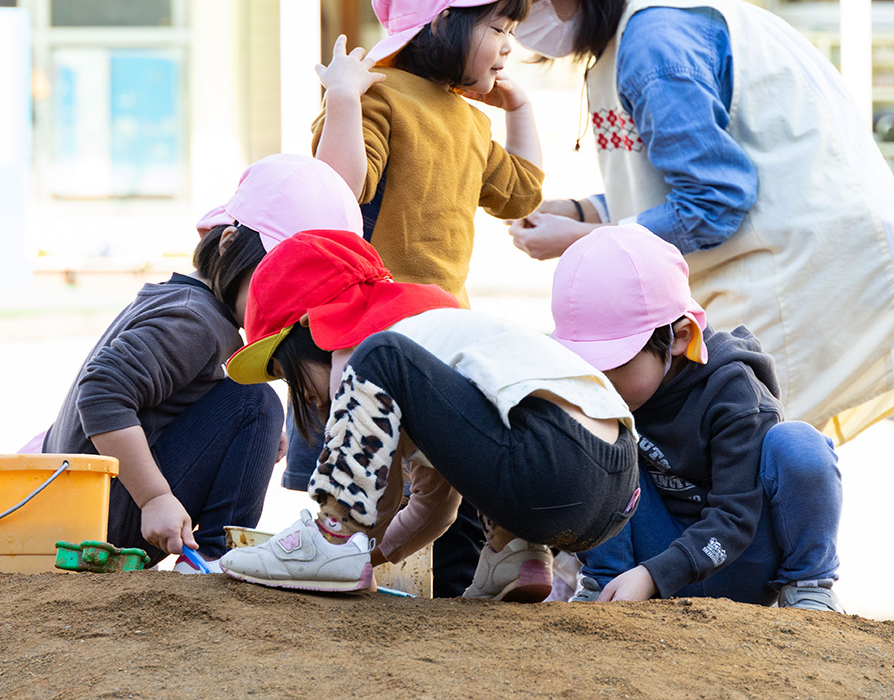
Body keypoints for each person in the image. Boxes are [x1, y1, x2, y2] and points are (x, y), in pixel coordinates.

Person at [468, 0, 894, 442]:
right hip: (787, 254)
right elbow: (678, 185)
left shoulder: (655, 44)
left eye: (522, 5)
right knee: (748, 460)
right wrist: (583, 211)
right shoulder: (641, 24)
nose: (518, 27)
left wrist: (580, 241)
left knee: (744, 458)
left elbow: (716, 201)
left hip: (806, 266)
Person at [0, 154, 363, 573]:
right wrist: (154, 498)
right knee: (254, 402)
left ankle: (216, 555)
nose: (284, 299)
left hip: (95, 501)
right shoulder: (195, 323)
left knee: (247, 408)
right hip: (97, 516)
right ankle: (218, 563)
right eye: (273, 276)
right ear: (230, 243)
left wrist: (237, 442)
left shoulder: (196, 311)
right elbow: (102, 390)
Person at [307, 0, 552, 593]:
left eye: (512, 26)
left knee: (440, 496)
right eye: (497, 24)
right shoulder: (380, 94)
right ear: (444, 21)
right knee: (394, 479)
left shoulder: (470, 121)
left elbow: (524, 192)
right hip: (378, 329)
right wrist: (343, 99)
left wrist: (519, 104)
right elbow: (339, 187)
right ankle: (345, 551)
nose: (509, 43)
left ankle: (364, 562)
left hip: (443, 330)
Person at [217, 229, 639, 598]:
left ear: (314, 327)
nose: (304, 397)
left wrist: (341, 546)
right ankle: (513, 556)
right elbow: (433, 507)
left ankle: (329, 536)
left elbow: (379, 495)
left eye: (289, 373)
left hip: (554, 461)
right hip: (614, 484)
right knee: (495, 411)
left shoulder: (372, 355)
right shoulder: (436, 357)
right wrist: (371, 557)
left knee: (379, 356)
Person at [549, 225, 844, 611]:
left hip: (741, 557)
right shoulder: (610, 396)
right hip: (636, 571)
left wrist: (654, 575)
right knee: (587, 437)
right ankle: (602, 585)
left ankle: (808, 586)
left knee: (799, 445)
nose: (598, 383)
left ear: (680, 336)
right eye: (584, 365)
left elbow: (736, 516)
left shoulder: (733, 391)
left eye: (612, 365)